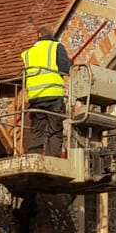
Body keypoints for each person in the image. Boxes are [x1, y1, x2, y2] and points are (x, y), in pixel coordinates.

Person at [21, 27, 72, 155]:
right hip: (53, 95)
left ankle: (35, 157)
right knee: (55, 129)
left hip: (36, 97)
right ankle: (53, 159)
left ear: (38, 35)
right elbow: (65, 68)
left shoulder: (28, 53)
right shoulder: (56, 47)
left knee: (37, 130)